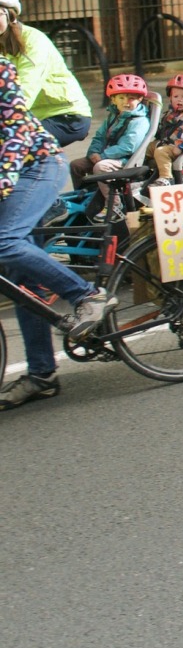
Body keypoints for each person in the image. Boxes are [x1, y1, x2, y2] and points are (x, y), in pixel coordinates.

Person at [0, 54, 118, 411]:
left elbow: (17, 130)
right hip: (12, 175)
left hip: (34, 166)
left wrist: (2, 183)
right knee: (22, 282)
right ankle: (42, 375)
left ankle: (86, 296)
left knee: (5, 243)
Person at [0, 0, 92, 147]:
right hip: (32, 117)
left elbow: (26, 87)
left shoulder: (33, 41)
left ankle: (52, 171)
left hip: (66, 116)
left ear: (10, 16)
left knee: (12, 145)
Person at [70, 73, 151, 189]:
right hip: (107, 156)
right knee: (76, 165)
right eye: (121, 98)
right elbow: (99, 136)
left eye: (131, 98)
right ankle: (86, 195)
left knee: (100, 167)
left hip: (126, 160)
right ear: (113, 100)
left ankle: (113, 202)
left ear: (140, 99)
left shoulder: (139, 121)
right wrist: (94, 152)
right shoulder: (113, 117)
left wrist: (103, 156)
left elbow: (129, 146)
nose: (126, 102)